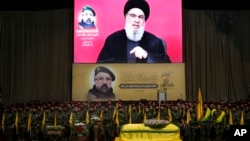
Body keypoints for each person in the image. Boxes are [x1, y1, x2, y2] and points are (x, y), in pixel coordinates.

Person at [97, 0, 171, 63]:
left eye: (141, 17)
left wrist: (147, 56)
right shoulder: (113, 40)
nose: (136, 20)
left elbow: (167, 67)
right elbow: (101, 66)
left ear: (144, 21)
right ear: (126, 17)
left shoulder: (155, 42)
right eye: (133, 15)